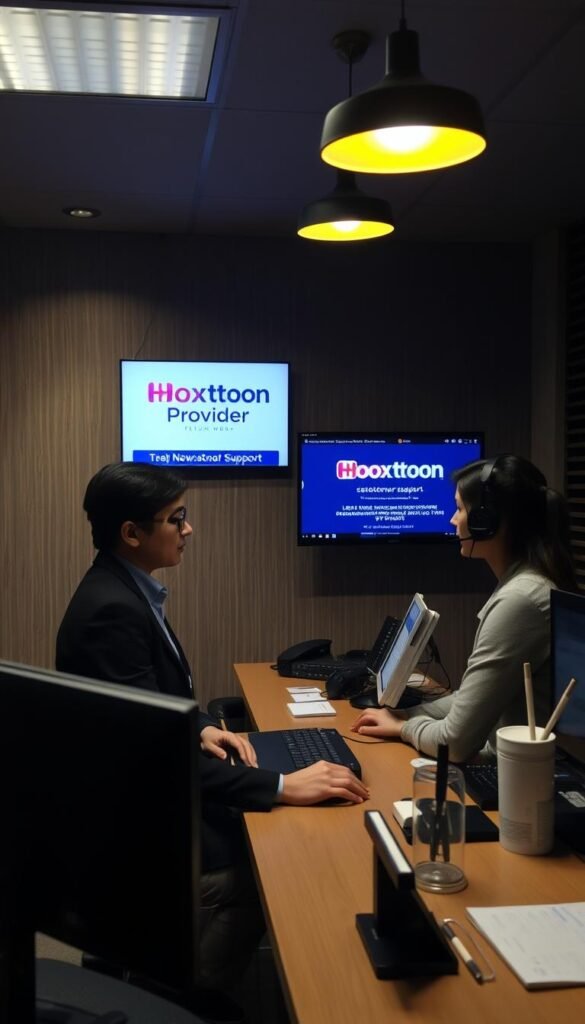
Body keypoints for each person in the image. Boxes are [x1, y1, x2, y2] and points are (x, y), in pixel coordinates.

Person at [56, 462, 368, 996]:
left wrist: (200, 725)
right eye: (176, 519)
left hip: (143, 801)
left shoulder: (126, 589)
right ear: (131, 533)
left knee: (267, 826)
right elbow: (151, 758)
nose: (188, 529)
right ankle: (183, 999)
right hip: (137, 832)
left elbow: (154, 704)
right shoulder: (110, 611)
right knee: (261, 864)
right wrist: (282, 786)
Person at [352, 454, 577, 763]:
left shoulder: (521, 600)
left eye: (459, 509)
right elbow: (466, 702)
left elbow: (454, 744)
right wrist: (403, 715)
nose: (452, 520)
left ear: (488, 522)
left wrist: (404, 728)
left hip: (513, 781)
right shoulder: (525, 584)